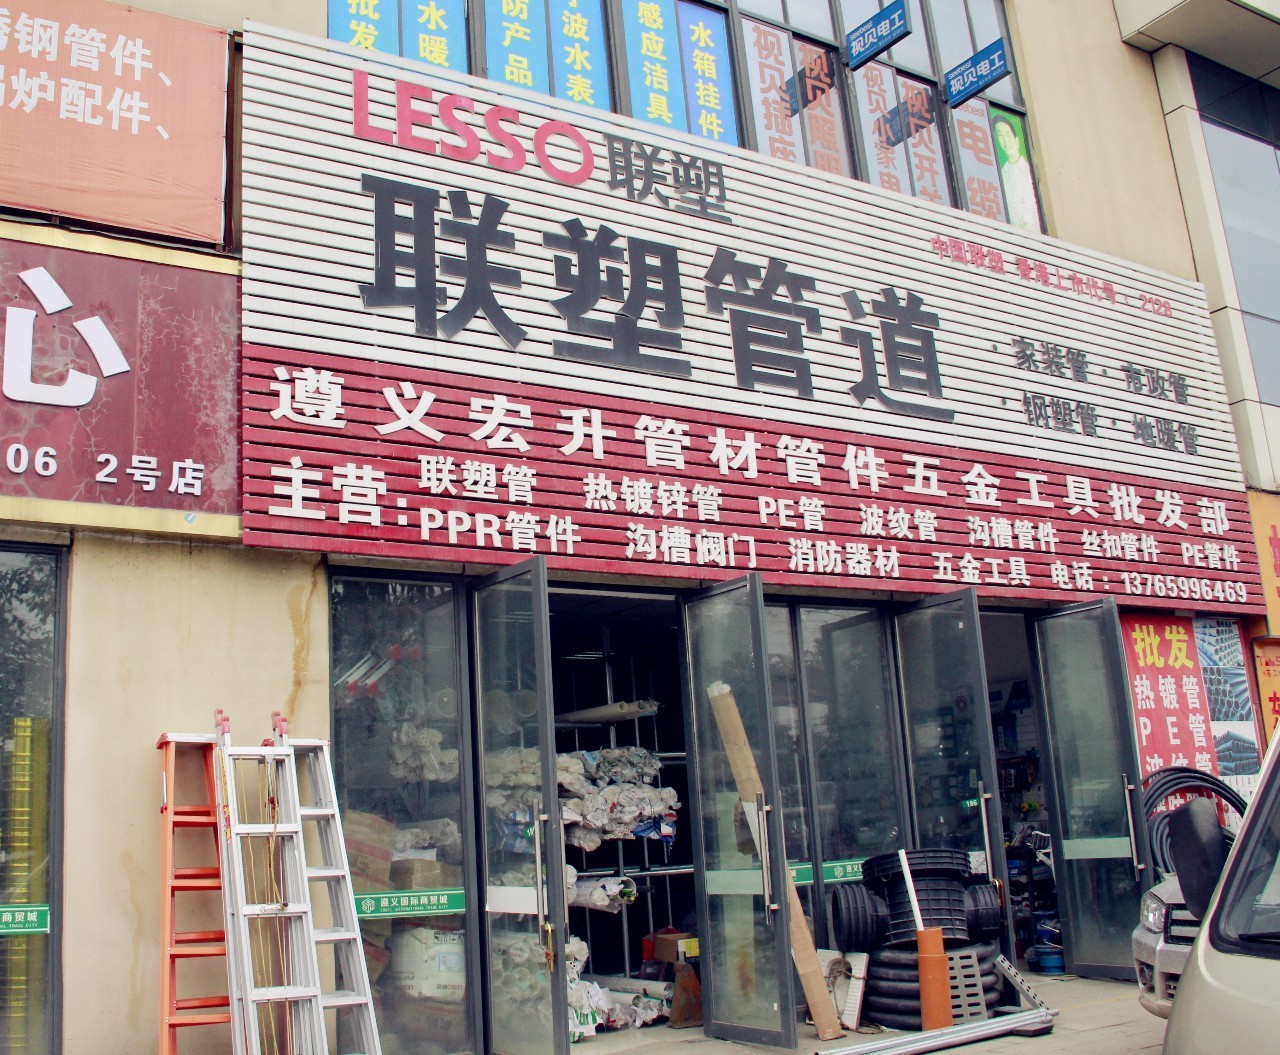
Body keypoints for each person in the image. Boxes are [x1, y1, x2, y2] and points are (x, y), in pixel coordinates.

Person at [993, 113, 1040, 232]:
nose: (1005, 140)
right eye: (1000, 135)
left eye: (1008, 134)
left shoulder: (1030, 171)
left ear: (1017, 140)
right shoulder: (1001, 177)